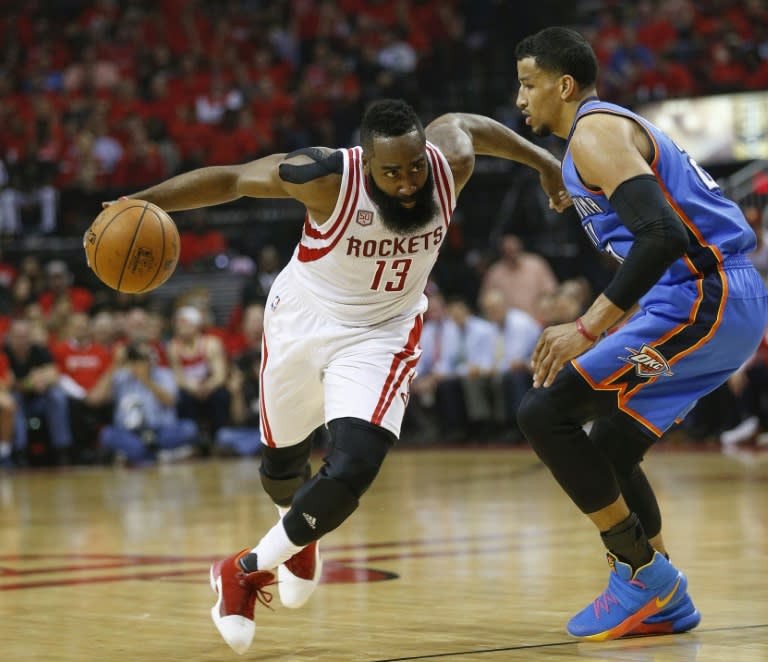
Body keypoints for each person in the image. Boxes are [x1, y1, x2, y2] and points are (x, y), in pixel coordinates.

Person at [107, 98, 567, 654]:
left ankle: (244, 570)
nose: (406, 183)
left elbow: (474, 126)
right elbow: (231, 179)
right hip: (303, 318)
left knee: (353, 468)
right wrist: (141, 201)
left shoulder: (451, 163)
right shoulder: (325, 177)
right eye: (391, 172)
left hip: (383, 334)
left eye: (415, 167)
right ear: (365, 163)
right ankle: (295, 533)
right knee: (282, 470)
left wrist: (544, 161)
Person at [514, 27, 768, 641]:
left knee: (546, 413)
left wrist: (587, 325)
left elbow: (663, 236)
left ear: (564, 85)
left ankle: (642, 576)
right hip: (717, 307)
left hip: (706, 299)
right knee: (612, 447)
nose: (519, 98)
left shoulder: (595, 133)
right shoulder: (598, 136)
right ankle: (659, 596)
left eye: (528, 84)